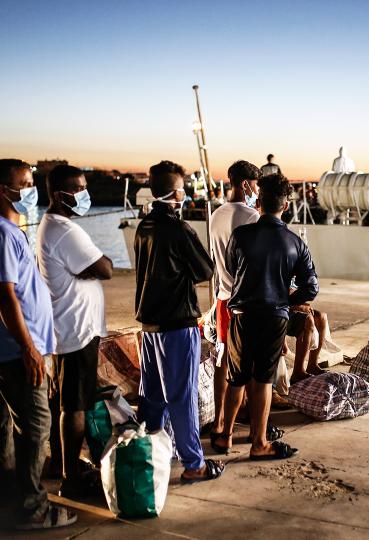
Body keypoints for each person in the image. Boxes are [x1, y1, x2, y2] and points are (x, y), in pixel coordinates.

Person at [0, 159, 76, 529]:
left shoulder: (2, 230)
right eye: (24, 183)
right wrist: (29, 347)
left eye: (32, 182)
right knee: (36, 423)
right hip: (17, 350)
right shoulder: (1, 232)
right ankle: (32, 508)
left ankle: (2, 492)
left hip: (5, 346)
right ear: (3, 190)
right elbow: (4, 294)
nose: (31, 189)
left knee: (5, 422)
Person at [214, 173, 318, 459]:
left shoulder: (241, 236)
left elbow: (233, 269)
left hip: (243, 313)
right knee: (263, 380)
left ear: (258, 202)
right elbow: (312, 286)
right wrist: (287, 299)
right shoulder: (296, 243)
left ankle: (224, 436)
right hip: (275, 316)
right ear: (285, 206)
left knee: (237, 378)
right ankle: (259, 443)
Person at [134, 160, 224, 483]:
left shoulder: (143, 226)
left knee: (152, 396)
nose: (185, 195)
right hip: (177, 324)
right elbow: (205, 270)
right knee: (181, 396)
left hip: (150, 325)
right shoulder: (179, 228)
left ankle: (145, 453)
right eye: (183, 191)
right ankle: (194, 463)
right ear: (174, 194)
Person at [36, 164, 112, 498]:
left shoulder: (52, 226)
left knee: (64, 399)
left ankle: (59, 462)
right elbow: (105, 268)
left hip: (66, 325)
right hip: (76, 329)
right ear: (57, 194)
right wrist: (94, 268)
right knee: (74, 404)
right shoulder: (65, 230)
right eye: (78, 188)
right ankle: (71, 478)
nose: (84, 194)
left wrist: (87, 271)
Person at [207, 160, 278, 452]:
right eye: (256, 185)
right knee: (252, 366)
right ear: (247, 184)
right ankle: (251, 421)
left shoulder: (215, 215)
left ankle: (220, 422)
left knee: (224, 362)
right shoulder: (251, 216)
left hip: (222, 297)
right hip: (248, 299)